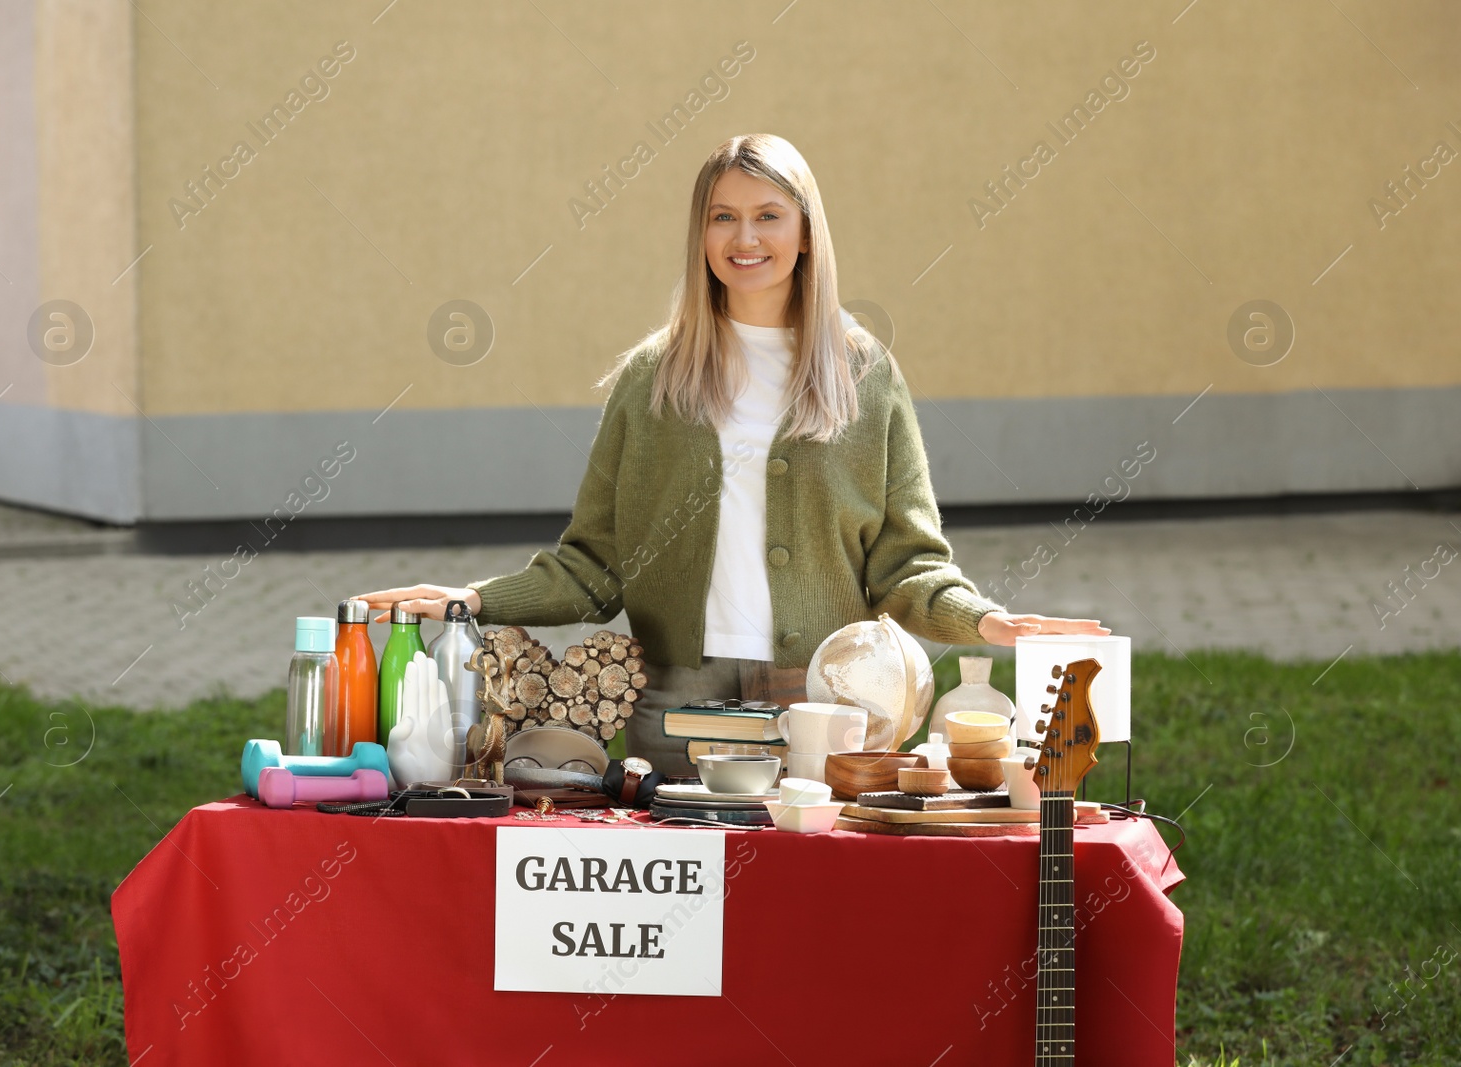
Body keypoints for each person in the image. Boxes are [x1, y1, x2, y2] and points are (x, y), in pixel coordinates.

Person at [356, 133, 1108, 776]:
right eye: (724, 218)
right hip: (680, 710)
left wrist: (987, 622)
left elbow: (905, 566)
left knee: (806, 921)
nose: (745, 240)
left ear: (806, 231)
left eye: (768, 217)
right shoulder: (653, 378)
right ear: (701, 234)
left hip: (828, 708)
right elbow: (594, 564)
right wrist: (474, 598)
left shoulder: (864, 375)